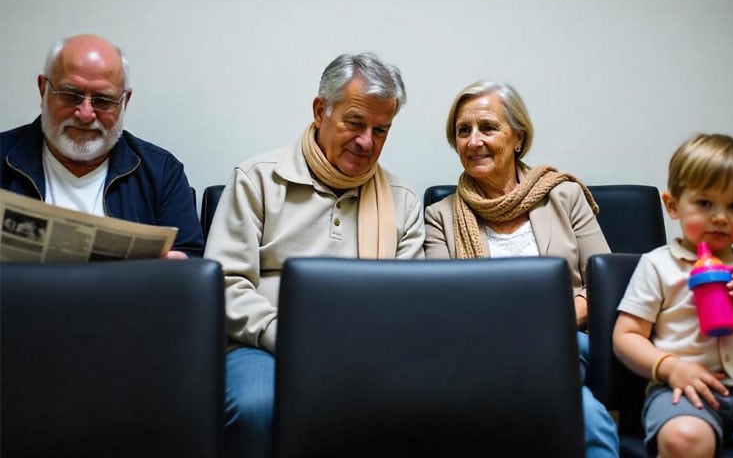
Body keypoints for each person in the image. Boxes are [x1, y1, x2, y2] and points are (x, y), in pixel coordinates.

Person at [204, 52, 425, 458]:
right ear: (320, 110)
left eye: (381, 130)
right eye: (355, 123)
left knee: (421, 404)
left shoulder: (403, 200)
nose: (366, 142)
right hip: (263, 346)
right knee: (256, 408)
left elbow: (408, 303)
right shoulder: (257, 178)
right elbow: (225, 283)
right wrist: (285, 335)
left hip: (365, 351)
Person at [424, 80, 619, 458]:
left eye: (488, 127)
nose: (473, 140)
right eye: (463, 131)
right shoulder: (439, 216)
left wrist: (552, 322)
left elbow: (604, 287)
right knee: (589, 419)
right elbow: (441, 307)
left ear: (518, 137)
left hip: (566, 341)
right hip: (479, 352)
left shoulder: (564, 196)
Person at [613, 133, 733, 458]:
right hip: (682, 390)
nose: (721, 217)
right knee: (685, 438)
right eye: (704, 203)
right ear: (673, 205)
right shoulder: (659, 265)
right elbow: (626, 336)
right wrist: (670, 368)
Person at [0, 34, 204, 258]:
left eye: (103, 100)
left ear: (124, 101)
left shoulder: (162, 172)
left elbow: (192, 259)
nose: (86, 114)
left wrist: (181, 268)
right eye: (70, 95)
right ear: (43, 89)